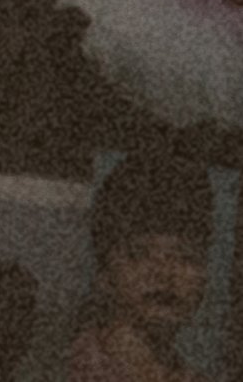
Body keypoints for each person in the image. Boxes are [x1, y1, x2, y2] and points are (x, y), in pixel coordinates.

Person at [57, 147, 214, 382]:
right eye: (140, 254)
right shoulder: (60, 371)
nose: (164, 274)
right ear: (105, 273)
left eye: (185, 257)